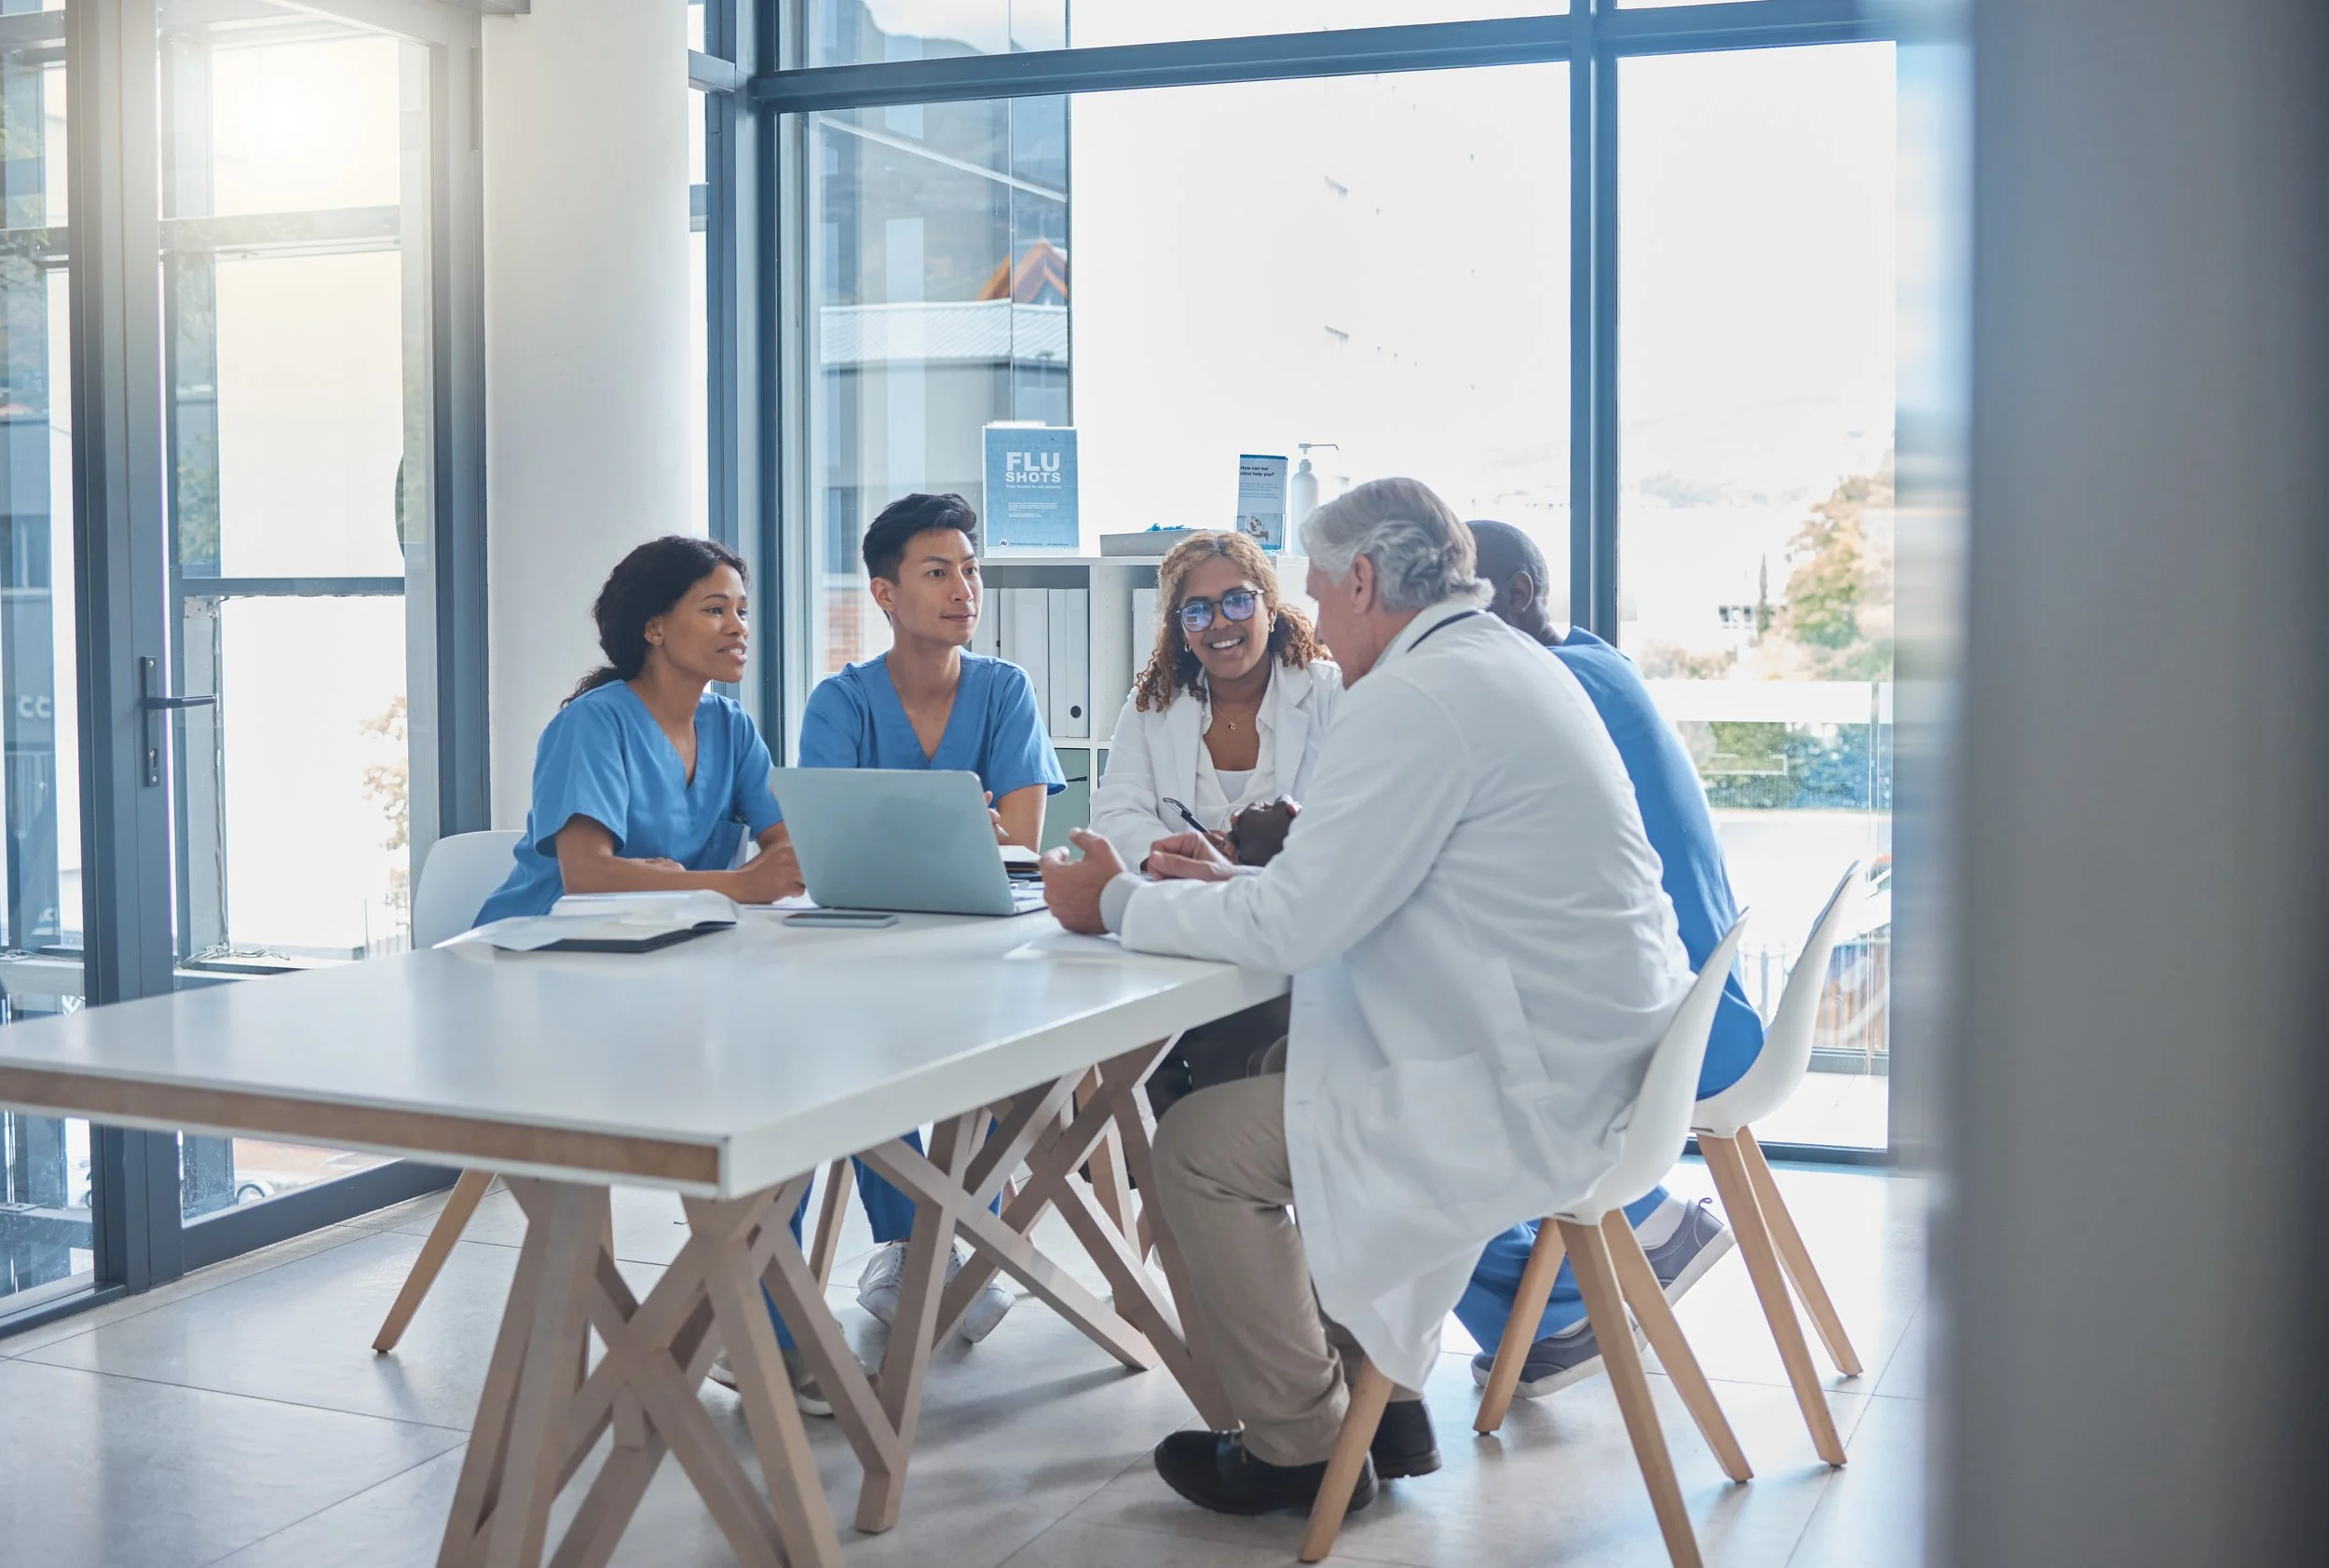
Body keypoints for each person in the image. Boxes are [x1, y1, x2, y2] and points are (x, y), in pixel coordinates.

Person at [1042, 478, 1693, 1519]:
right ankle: (1373, 1408)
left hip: (1535, 1087)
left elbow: (1298, 927)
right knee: (1275, 1069)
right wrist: (1236, 884)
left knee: (1199, 1150)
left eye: (1310, 593)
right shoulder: (1496, 664)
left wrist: (1113, 900)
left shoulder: (1414, 696)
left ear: (1361, 579)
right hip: (1599, 1057)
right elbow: (1349, 888)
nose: (1312, 621)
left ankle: (1297, 1446)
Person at [1455, 518, 1754, 1398]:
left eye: (1459, 605)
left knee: (1403, 1098)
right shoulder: (1592, 661)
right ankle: (1647, 1226)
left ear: (1516, 596)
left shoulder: (1548, 689)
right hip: (1705, 1002)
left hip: (1671, 1031)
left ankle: (1565, 1300)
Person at [796, 491, 1063, 1344]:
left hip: (989, 949)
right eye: (938, 571)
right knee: (850, 1053)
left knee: (965, 1055)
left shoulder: (1005, 690)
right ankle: (932, 1246)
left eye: (971, 570)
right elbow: (829, 844)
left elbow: (1019, 843)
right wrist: (955, 827)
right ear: (884, 593)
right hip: (865, 952)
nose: (965, 589)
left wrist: (934, 832)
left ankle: (932, 1248)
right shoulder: (840, 702)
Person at [1088, 531, 1339, 1111]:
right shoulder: (1154, 701)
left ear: (1270, 609)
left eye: (1238, 601)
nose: (1219, 623)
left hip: (1280, 942)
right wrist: (1173, 852)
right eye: (1197, 610)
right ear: (1180, 625)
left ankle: (1198, 1155)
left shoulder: (1329, 692)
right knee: (1119, 1043)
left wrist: (1264, 848)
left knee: (1237, 1039)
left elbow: (1351, 818)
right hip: (1177, 931)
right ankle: (1159, 1161)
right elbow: (1114, 810)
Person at [476, 535, 801, 924]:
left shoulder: (732, 727)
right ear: (654, 629)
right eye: (716, 610)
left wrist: (753, 878)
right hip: (544, 943)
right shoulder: (592, 724)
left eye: (742, 612)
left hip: (670, 942)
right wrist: (739, 885)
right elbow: (587, 876)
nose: (738, 628)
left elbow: (787, 845)